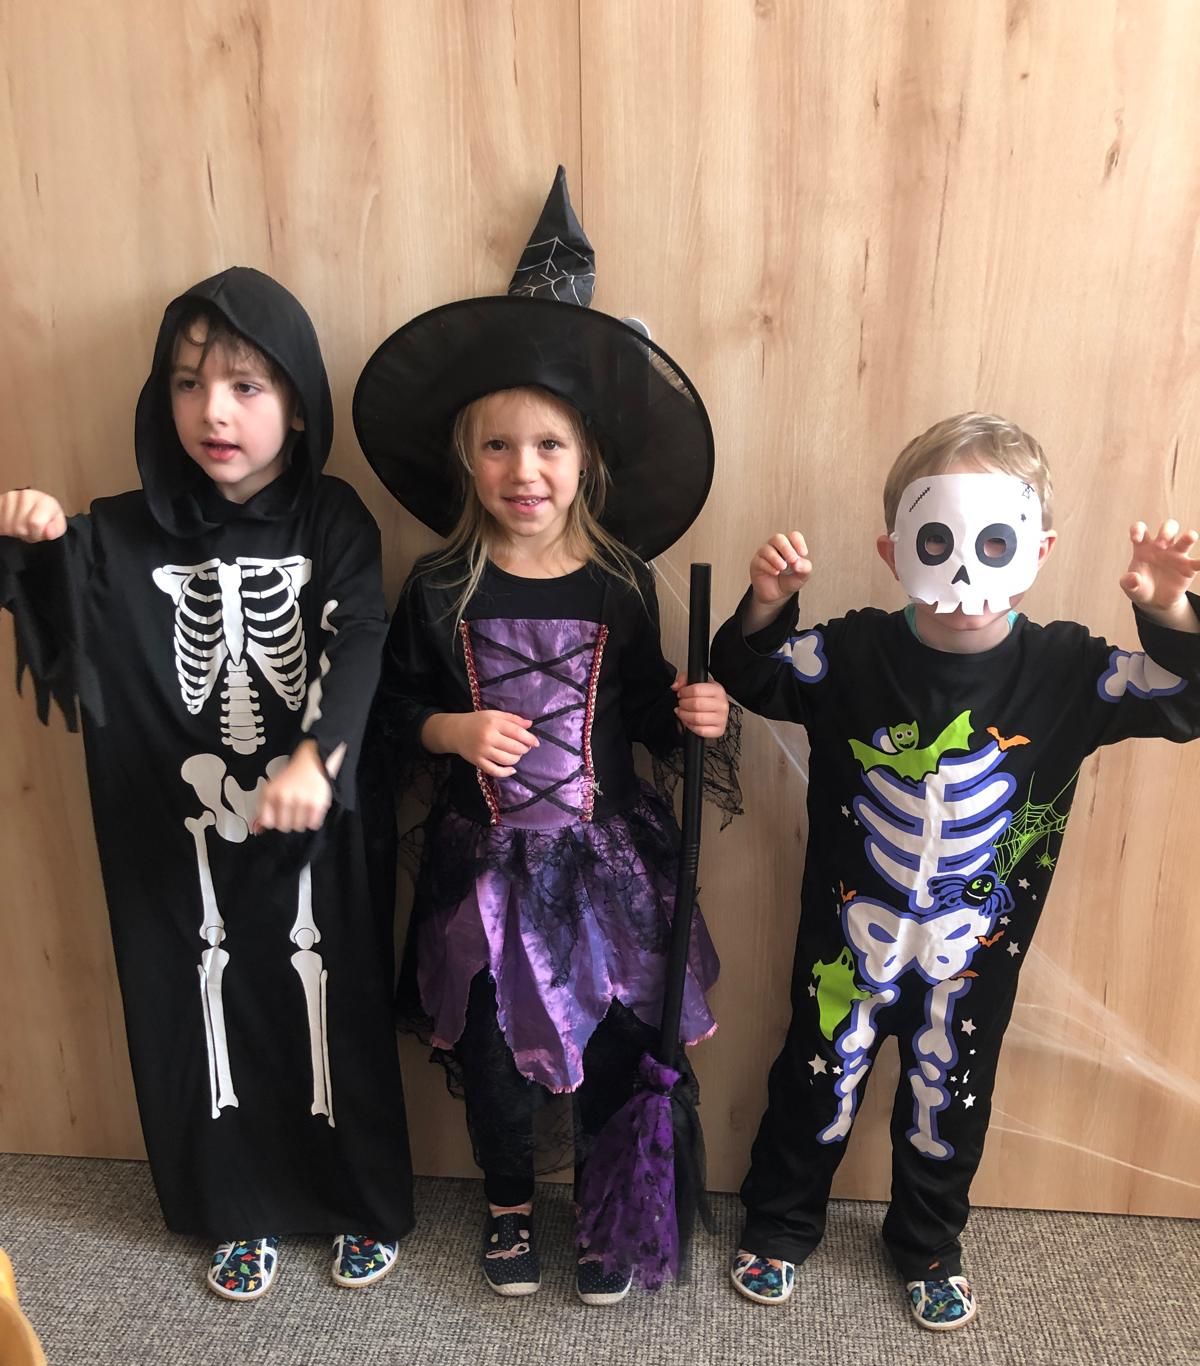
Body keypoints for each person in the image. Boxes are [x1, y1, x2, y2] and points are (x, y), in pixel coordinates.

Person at [710, 411, 1200, 1328]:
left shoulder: (1070, 671)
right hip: (850, 940)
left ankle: (929, 1242)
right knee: (817, 1073)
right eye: (937, 541)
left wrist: (1168, 609)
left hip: (974, 951)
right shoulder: (850, 653)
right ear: (895, 551)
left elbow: (1188, 695)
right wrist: (769, 602)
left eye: (996, 542)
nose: (966, 571)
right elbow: (749, 671)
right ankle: (779, 1221)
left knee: (950, 1092)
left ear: (1039, 550)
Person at [0, 267, 414, 1300]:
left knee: (332, 989)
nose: (213, 412)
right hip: (177, 816)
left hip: (313, 812)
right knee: (193, 989)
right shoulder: (120, 532)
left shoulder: (332, 519)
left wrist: (318, 757)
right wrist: (33, 543)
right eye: (188, 385)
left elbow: (360, 635)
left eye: (244, 386)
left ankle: (356, 1198)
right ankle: (234, 1204)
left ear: (297, 403)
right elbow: (54, 628)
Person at [354, 169, 730, 1304]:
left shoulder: (620, 584)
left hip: (607, 860)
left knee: (615, 1038)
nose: (525, 472)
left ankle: (611, 1205)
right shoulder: (439, 587)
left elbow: (649, 706)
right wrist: (452, 725)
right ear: (464, 460)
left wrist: (694, 711)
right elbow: (391, 711)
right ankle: (510, 1203)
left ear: (587, 461)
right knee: (493, 1049)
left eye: (550, 446)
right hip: (484, 867)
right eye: (499, 447)